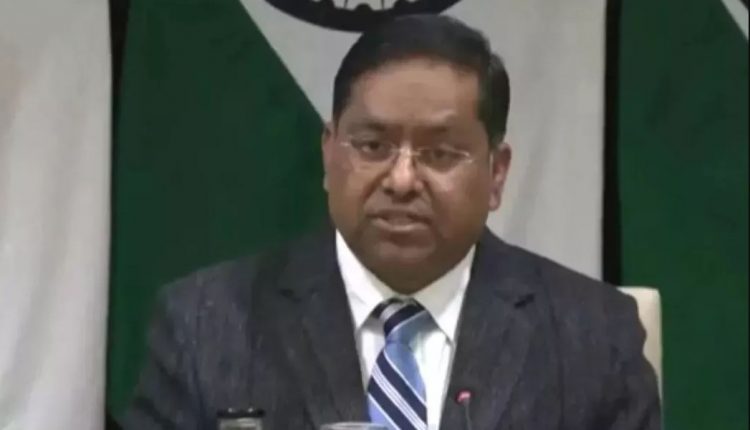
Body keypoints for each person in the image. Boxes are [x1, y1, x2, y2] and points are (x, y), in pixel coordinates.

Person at [122, 14, 661, 430]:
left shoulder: (594, 338)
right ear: (329, 154)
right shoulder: (206, 327)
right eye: (373, 146)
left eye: (441, 153)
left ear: (496, 172)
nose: (402, 180)